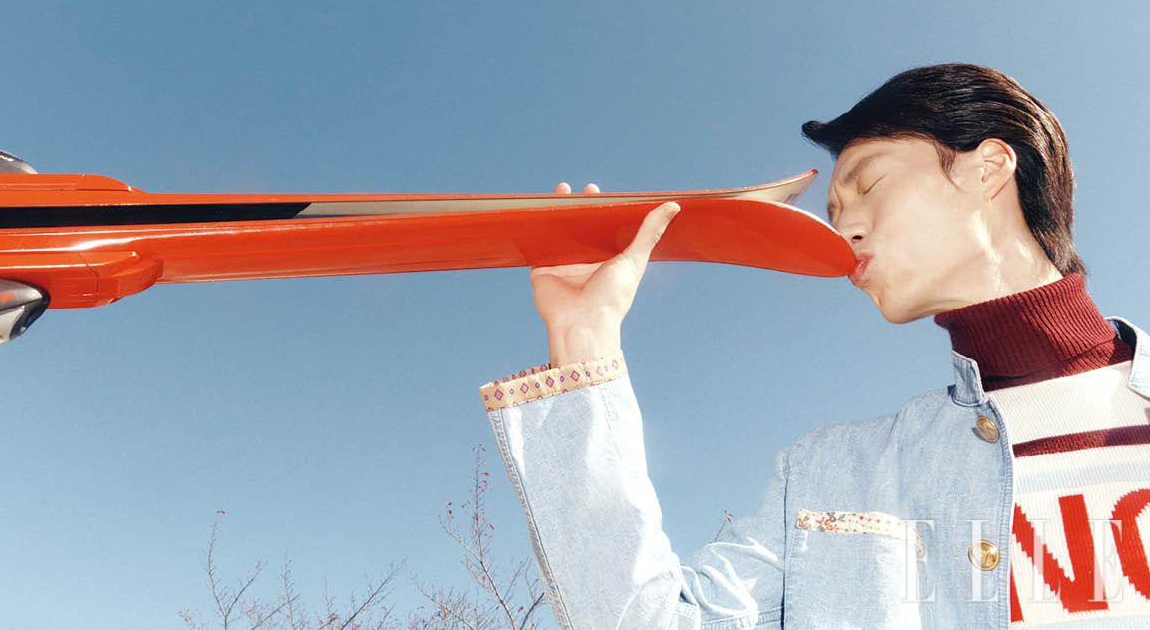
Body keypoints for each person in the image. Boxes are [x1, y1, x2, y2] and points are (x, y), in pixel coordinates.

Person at [476, 63, 1150, 628]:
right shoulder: (831, 474)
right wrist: (584, 334)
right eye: (832, 213)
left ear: (989, 168)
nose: (843, 229)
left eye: (869, 185)